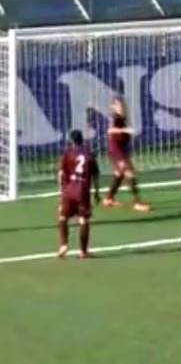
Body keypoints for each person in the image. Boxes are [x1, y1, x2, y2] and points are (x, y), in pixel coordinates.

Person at [57, 130, 101, 259]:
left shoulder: (68, 154)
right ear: (82, 140)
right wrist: (97, 193)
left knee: (63, 217)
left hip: (69, 190)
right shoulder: (89, 155)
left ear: (71, 141)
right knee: (83, 220)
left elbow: (61, 174)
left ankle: (63, 245)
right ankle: (83, 251)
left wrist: (61, 192)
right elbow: (96, 176)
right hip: (82, 191)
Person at [104, 96, 151, 212]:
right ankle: (137, 203)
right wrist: (125, 130)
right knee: (130, 173)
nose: (121, 107)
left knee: (119, 174)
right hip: (116, 151)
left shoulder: (123, 117)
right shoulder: (115, 117)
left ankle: (109, 199)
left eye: (123, 105)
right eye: (118, 105)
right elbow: (110, 130)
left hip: (120, 150)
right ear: (113, 106)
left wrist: (129, 134)